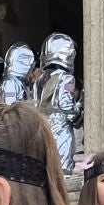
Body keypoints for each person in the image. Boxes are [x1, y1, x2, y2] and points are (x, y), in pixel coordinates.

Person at [31, 33, 82, 173]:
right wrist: (78, 115)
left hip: (42, 129)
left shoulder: (38, 81)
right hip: (60, 129)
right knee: (62, 171)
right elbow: (66, 105)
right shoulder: (67, 79)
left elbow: (35, 106)